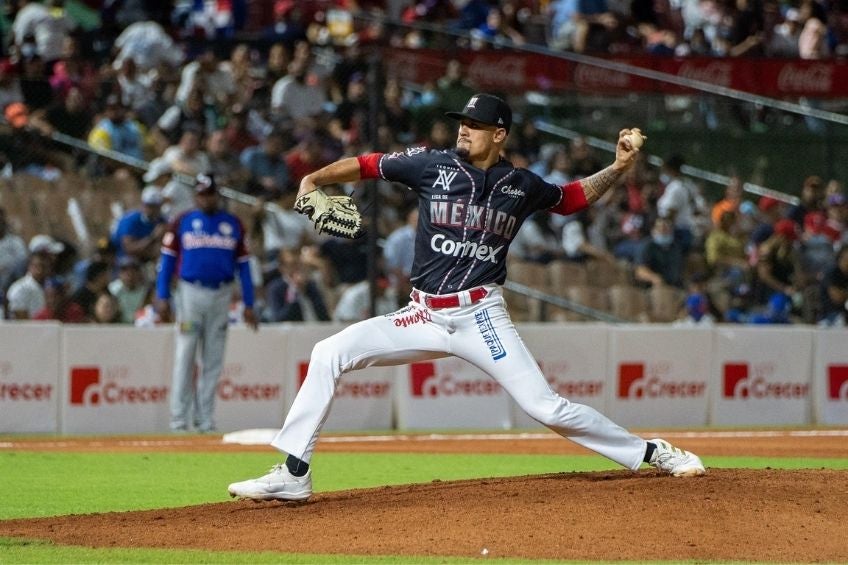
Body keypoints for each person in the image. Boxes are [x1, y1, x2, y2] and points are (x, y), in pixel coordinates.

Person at [227, 93, 705, 502]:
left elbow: (570, 198)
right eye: (463, 124)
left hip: (480, 315)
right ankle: (293, 474)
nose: (465, 132)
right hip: (421, 314)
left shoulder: (520, 185)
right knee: (329, 352)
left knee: (545, 407)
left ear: (500, 134)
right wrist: (316, 179)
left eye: (475, 126)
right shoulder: (431, 166)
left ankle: (651, 451)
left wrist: (619, 167)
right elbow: (371, 164)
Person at [155, 174, 258, 433]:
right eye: (201, 194)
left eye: (210, 193)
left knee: (213, 358)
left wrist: (249, 302)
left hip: (222, 294)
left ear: (217, 195)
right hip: (190, 293)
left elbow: (244, 267)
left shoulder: (233, 224)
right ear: (195, 196)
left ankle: (205, 420)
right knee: (185, 354)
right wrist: (162, 295)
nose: (206, 198)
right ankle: (179, 420)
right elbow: (167, 261)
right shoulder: (183, 221)